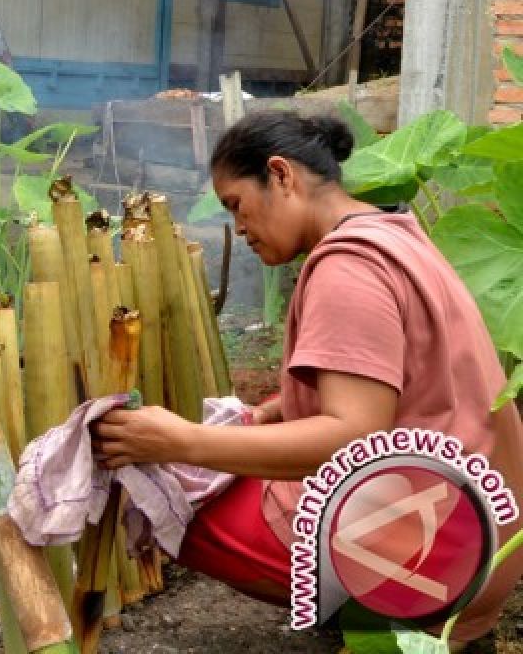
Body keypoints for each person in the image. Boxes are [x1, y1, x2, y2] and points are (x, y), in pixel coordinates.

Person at [90, 110, 523, 649]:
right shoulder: (396, 232)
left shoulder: (348, 268)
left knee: (170, 495)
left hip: (439, 561)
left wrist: (179, 441)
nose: (239, 228)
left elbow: (355, 438)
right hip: (485, 539)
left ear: (281, 174)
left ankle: (388, 614)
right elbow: (405, 381)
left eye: (237, 206)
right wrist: (274, 410)